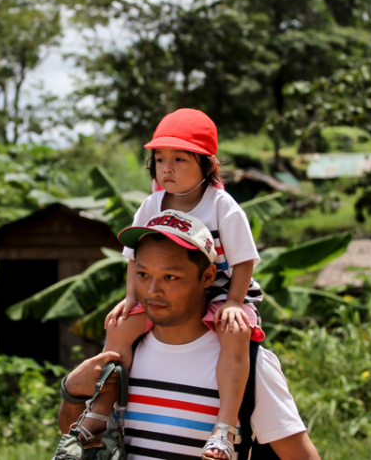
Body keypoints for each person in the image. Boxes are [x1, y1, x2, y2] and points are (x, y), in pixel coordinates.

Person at [58, 209, 319, 459]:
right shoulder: (124, 354)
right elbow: (83, 442)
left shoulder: (249, 365)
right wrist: (72, 394)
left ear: (207, 277)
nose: (152, 291)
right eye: (143, 275)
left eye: (170, 277)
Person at [91, 108, 263, 459]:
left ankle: (225, 427)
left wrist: (233, 303)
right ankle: (102, 410)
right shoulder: (151, 204)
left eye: (179, 159)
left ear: (207, 164)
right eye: (159, 158)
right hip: (164, 296)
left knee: (235, 335)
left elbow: (244, 261)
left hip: (220, 293)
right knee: (119, 327)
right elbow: (133, 258)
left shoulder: (223, 206)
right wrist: (129, 298)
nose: (166, 168)